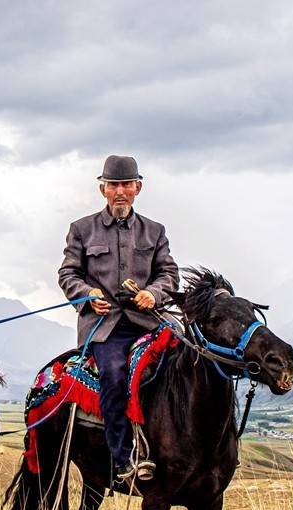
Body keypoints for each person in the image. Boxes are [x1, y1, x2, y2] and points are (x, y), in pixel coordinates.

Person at [58, 155, 179, 482]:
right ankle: (122, 457)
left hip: (149, 324)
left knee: (187, 365)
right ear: (103, 189)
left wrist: (154, 294)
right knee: (113, 373)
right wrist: (86, 294)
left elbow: (168, 273)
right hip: (104, 328)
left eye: (127, 184)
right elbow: (68, 273)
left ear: (138, 187)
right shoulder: (82, 230)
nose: (120, 191)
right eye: (114, 185)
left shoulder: (155, 232)